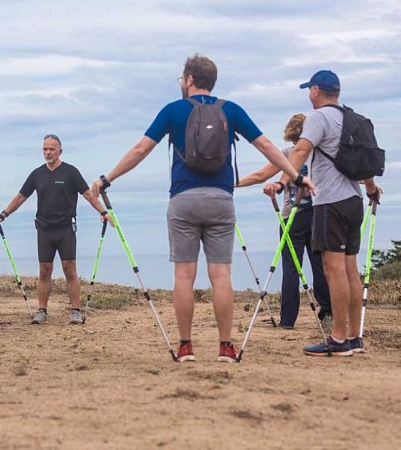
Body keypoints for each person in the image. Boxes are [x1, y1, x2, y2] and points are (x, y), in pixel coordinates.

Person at [90, 54, 314, 363]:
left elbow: (141, 149)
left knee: (184, 275)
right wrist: (296, 174)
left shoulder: (173, 110)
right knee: (221, 275)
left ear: (190, 79)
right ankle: (225, 346)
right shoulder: (231, 110)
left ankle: (186, 347)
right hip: (221, 199)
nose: (181, 83)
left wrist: (107, 177)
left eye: (182, 79)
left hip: (183, 199)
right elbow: (266, 146)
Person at [264, 70, 381, 357]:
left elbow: (301, 149)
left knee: (333, 269)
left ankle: (338, 338)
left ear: (317, 90)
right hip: (354, 200)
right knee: (350, 269)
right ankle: (354, 336)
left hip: (330, 202)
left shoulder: (319, 117)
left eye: (309, 90)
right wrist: (370, 189)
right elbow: (363, 162)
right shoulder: (350, 118)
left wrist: (282, 181)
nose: (309, 95)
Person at [0, 134, 112, 325]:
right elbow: (21, 197)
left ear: (60, 151)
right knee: (44, 271)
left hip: (66, 229)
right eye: (45, 149)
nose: (48, 152)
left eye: (52, 149)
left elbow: (87, 194)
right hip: (44, 229)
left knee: (69, 270)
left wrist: (103, 211)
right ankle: (42, 311)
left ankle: (75, 311)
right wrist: (3, 214)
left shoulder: (71, 172)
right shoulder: (37, 174)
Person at [238, 114, 331, 329]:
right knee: (320, 263)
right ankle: (327, 311)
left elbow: (261, 175)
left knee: (291, 267)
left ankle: (288, 319)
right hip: (318, 213)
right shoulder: (320, 153)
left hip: (293, 216)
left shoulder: (288, 154)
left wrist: (232, 183)